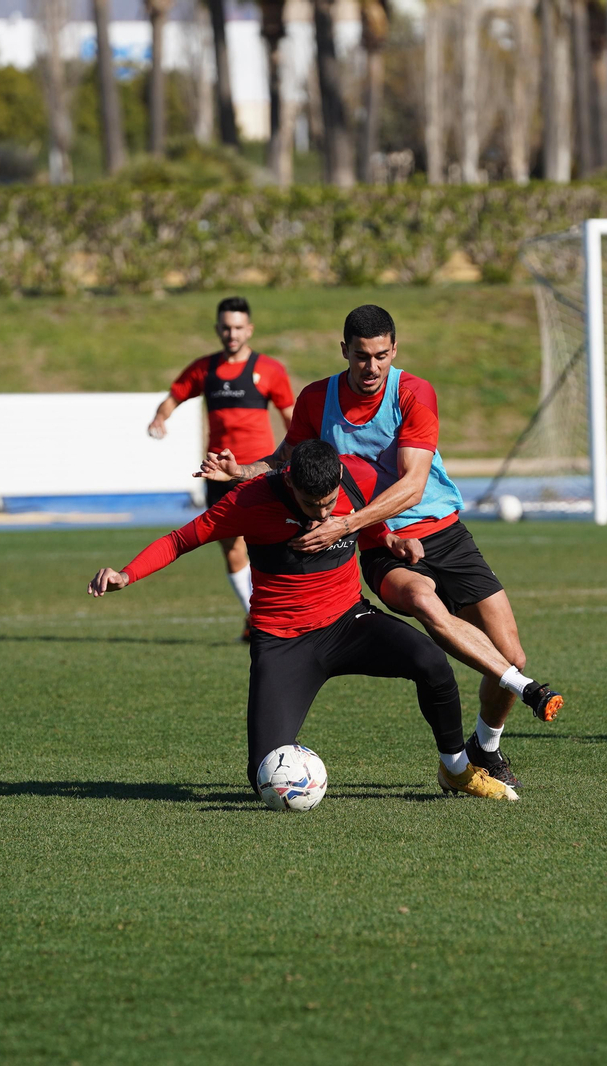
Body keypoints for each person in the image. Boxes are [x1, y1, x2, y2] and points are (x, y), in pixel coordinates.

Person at [199, 305, 562, 791]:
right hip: (378, 542)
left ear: (395, 350)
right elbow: (289, 460)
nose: (371, 368)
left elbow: (413, 486)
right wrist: (242, 471)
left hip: (443, 533)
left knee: (511, 655)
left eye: (382, 356)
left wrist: (345, 521)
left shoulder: (413, 392)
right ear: (344, 350)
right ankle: (516, 703)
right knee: (420, 600)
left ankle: (486, 748)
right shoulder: (316, 398)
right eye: (362, 356)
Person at [88, 439, 517, 802]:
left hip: (349, 622)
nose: (323, 515)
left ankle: (456, 769)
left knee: (432, 662)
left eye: (330, 503)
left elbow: (369, 523)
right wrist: (126, 573)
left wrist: (389, 538)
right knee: (263, 775)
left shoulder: (356, 477)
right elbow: (180, 540)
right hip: (282, 643)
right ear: (290, 480)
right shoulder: (248, 501)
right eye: (312, 505)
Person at [148, 296, 294, 639]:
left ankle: (284, 611)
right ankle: (257, 619)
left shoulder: (270, 370)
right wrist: (160, 417)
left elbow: (294, 419)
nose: (232, 334)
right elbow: (173, 397)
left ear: (250, 329)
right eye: (226, 328)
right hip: (217, 473)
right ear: (217, 329)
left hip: (260, 472)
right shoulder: (204, 370)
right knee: (232, 550)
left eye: (238, 328)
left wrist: (301, 454)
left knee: (276, 544)